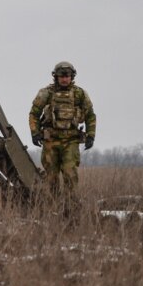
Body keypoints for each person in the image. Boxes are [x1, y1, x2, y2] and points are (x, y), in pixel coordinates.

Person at [28, 62, 96, 212]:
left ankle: (70, 209)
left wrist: (91, 135)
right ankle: (51, 209)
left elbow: (90, 115)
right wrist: (35, 133)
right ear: (56, 77)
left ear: (72, 76)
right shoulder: (46, 93)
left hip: (71, 141)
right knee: (50, 178)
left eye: (67, 76)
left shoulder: (80, 94)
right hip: (50, 141)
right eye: (62, 76)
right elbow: (34, 113)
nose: (65, 79)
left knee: (70, 175)